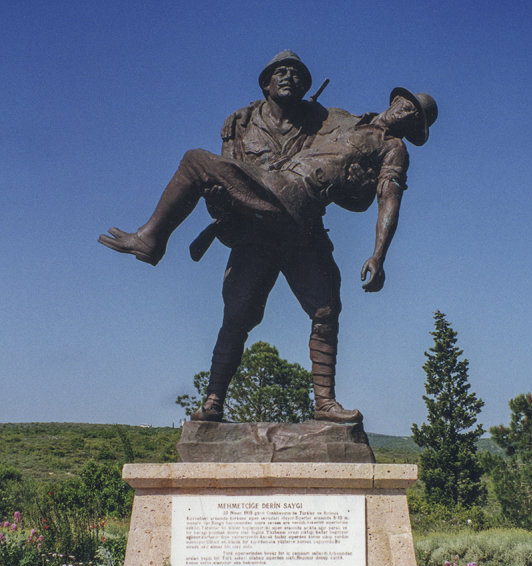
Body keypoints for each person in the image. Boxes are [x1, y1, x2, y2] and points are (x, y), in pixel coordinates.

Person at [99, 52, 437, 423]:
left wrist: (379, 254)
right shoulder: (336, 116)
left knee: (325, 309)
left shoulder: (394, 149)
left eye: (413, 116)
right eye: (404, 105)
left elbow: (389, 198)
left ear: (414, 130)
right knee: (238, 316)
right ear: (394, 102)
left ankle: (324, 402)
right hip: (261, 224)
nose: (404, 112)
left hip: (294, 208)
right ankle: (213, 401)